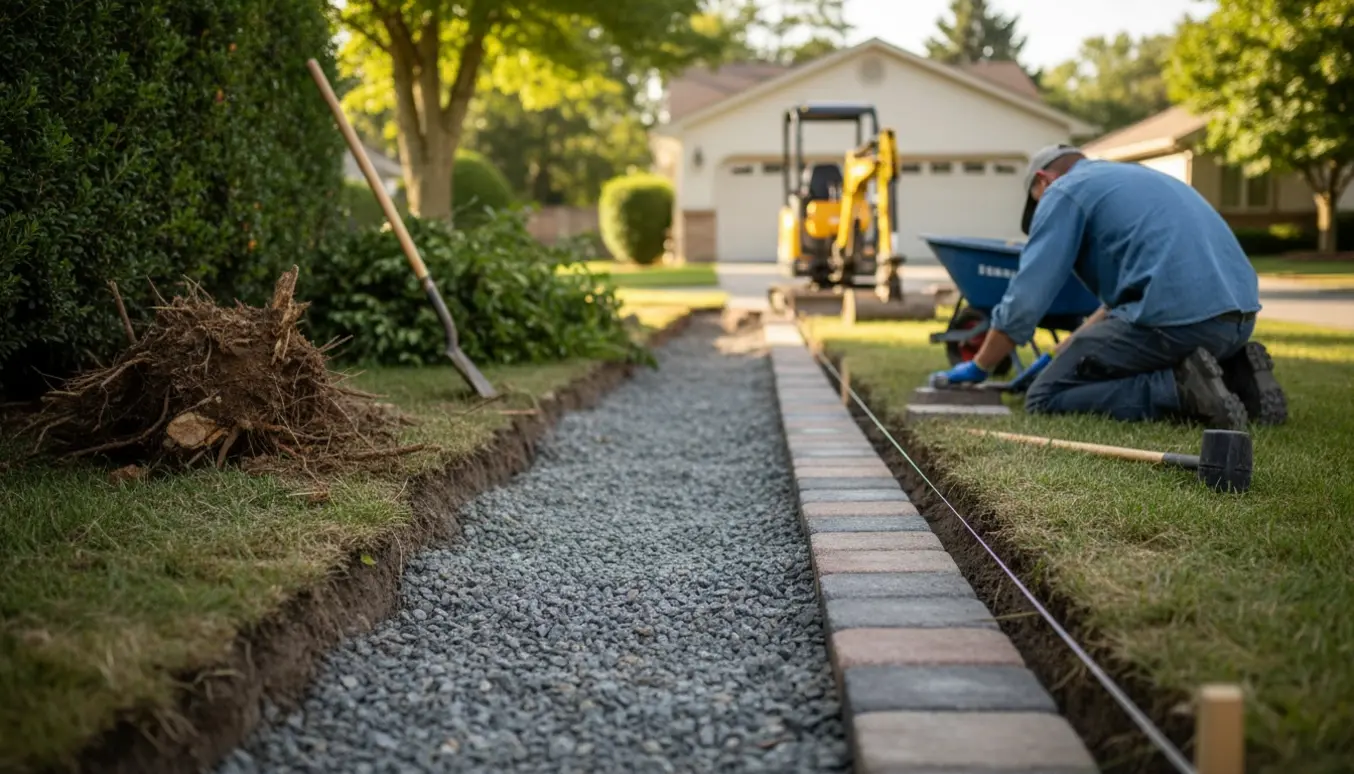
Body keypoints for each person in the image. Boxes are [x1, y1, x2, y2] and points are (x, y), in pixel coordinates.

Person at [930, 144, 1287, 430]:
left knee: (1044, 396)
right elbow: (1115, 306)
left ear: (1043, 181)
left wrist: (981, 365)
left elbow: (1026, 296)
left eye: (1037, 206)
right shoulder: (1133, 177)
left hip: (1177, 322)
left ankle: (1180, 390)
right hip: (1235, 321)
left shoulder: (1063, 191)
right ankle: (1237, 377)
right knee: (1078, 366)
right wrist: (1065, 350)